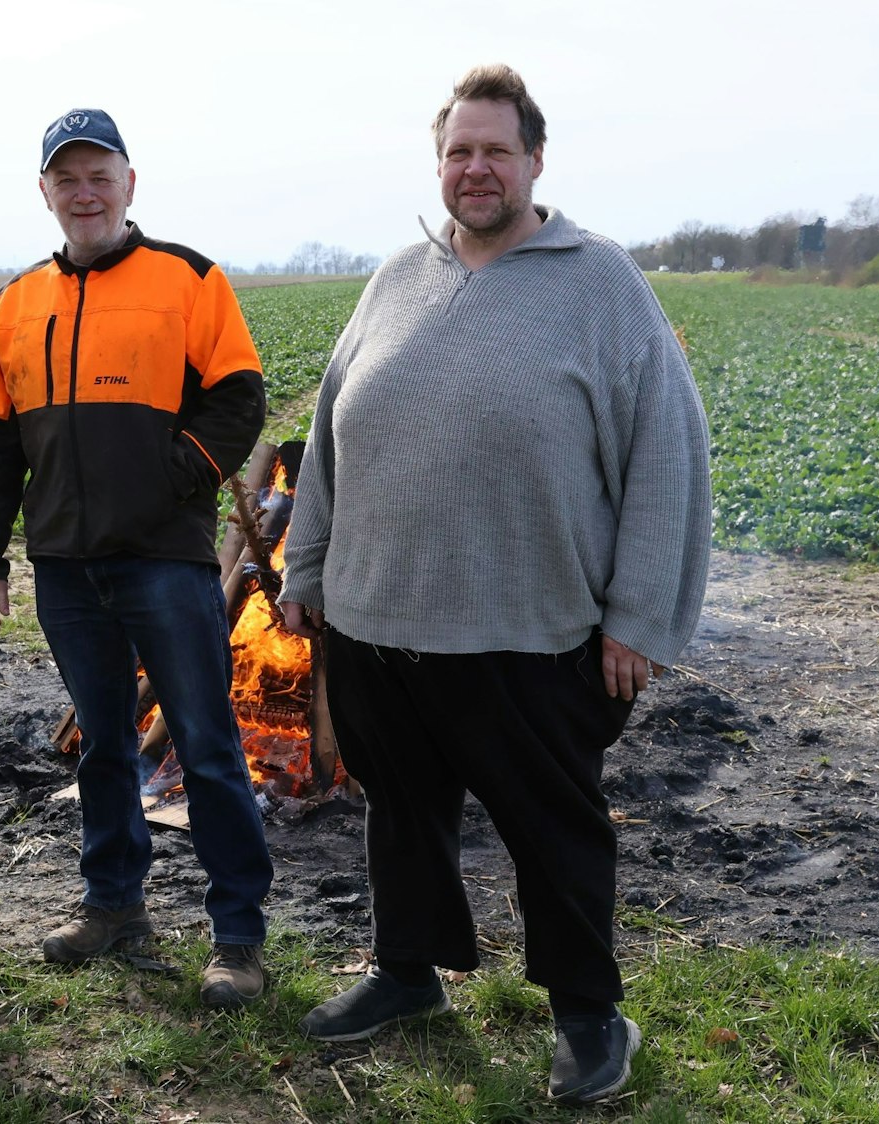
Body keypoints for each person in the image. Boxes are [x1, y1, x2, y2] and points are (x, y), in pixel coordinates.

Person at [278, 64, 711, 1104]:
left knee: (554, 829)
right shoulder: (395, 278)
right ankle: (405, 972)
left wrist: (639, 615)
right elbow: (332, 440)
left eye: (494, 150)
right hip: (378, 622)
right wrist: (305, 566)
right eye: (457, 151)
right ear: (440, 163)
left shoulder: (599, 283)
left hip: (530, 631)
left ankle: (589, 1015)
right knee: (401, 815)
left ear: (535, 161)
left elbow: (667, 456)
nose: (475, 168)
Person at [0, 108, 275, 1008]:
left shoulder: (189, 278)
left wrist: (169, 480)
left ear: (129, 184)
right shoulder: (15, 304)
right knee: (101, 744)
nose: (84, 191)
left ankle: (238, 937)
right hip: (62, 565)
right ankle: (113, 906)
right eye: (68, 178)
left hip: (164, 562)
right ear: (46, 193)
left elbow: (238, 401)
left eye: (100, 174)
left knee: (209, 748)